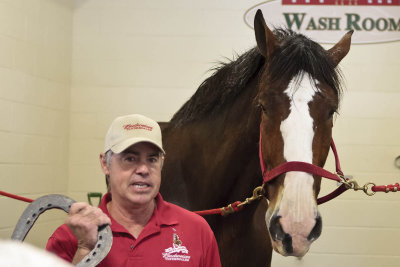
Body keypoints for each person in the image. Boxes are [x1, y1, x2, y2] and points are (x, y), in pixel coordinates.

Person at [46, 114, 221, 266]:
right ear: (105, 163)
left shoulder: (197, 230)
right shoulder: (71, 237)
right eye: (130, 158)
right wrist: (85, 250)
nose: (143, 169)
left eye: (152, 159)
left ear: (162, 164)